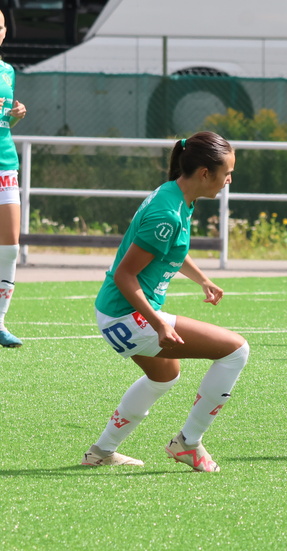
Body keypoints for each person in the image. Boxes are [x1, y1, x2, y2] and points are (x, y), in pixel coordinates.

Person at [82, 131, 248, 472]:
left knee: (165, 376)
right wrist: (158, 324)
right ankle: (188, 443)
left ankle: (101, 452)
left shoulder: (175, 195)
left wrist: (202, 279)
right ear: (205, 173)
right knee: (236, 350)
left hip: (112, 313)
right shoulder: (168, 213)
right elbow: (125, 275)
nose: (229, 179)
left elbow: (168, 250)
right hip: (128, 315)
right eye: (226, 172)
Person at [0, 10, 28, 348]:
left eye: (1, 27)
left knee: (9, 247)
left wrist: (15, 116)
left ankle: (0, 322)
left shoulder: (7, 71)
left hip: (6, 162)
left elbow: (5, 124)